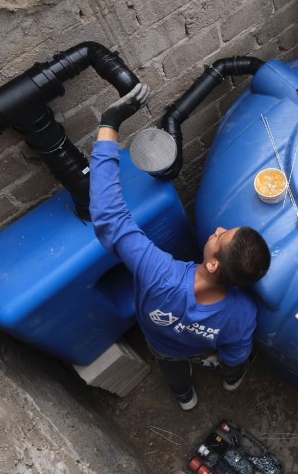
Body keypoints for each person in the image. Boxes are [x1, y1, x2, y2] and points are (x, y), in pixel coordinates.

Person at [89, 83, 271, 410]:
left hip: (162, 344)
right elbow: (238, 349)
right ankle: (231, 382)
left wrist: (108, 125)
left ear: (214, 264)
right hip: (202, 349)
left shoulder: (159, 274)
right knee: (230, 361)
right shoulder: (242, 311)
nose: (216, 230)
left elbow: (109, 217)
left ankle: (185, 396)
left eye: (220, 237)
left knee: (171, 367)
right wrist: (232, 366)